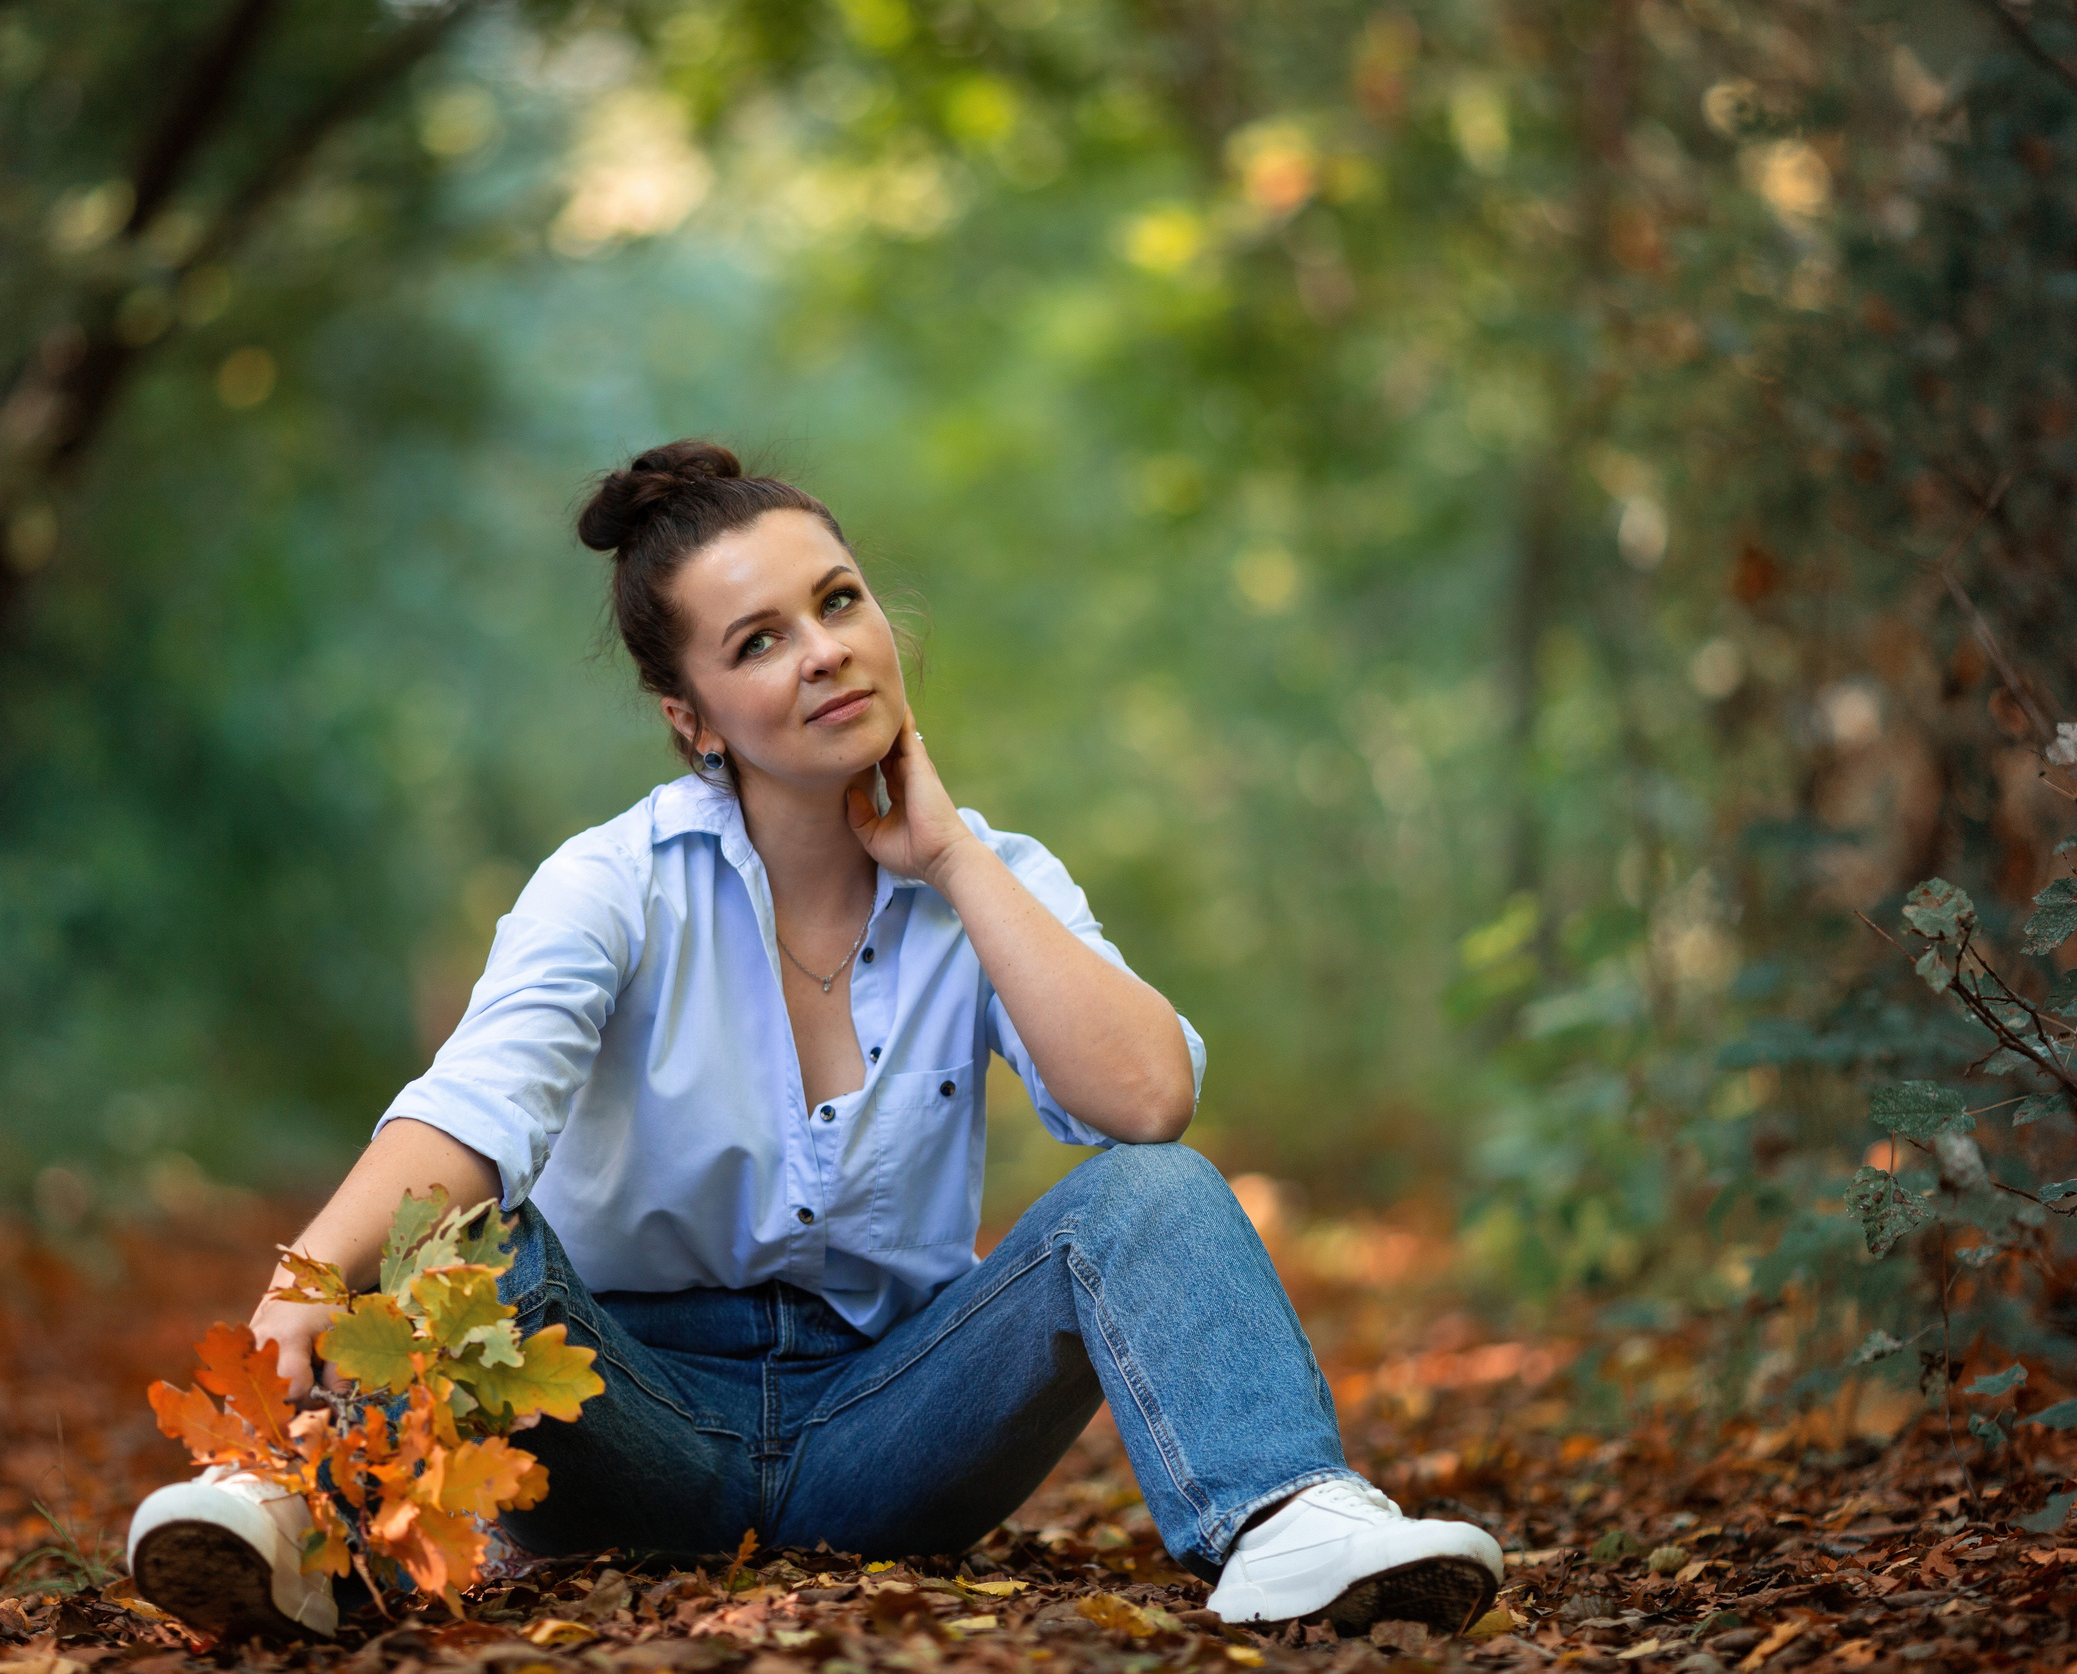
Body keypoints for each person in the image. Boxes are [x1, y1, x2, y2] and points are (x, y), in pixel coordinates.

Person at [124, 441, 1501, 1640]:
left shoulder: (998, 878)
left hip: (892, 1434)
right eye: (758, 641)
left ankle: (1287, 1520)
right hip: (619, 1425)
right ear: (691, 719)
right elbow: (475, 1111)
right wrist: (305, 1282)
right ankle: (308, 1519)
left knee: (1153, 1195)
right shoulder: (615, 883)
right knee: (460, 1235)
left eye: (838, 602)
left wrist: (950, 857)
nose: (825, 648)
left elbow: (1147, 1104)